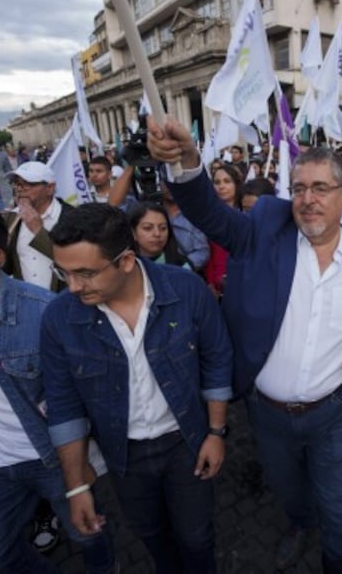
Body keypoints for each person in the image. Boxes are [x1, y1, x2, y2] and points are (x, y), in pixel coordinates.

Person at [147, 118, 342, 573]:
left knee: (339, 506)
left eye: (320, 188)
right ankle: (299, 521)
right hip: (266, 412)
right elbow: (209, 212)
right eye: (299, 188)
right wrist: (186, 159)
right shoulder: (263, 231)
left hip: (335, 412)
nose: (307, 199)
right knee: (289, 488)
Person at [40, 203, 232, 574]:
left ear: (126, 261)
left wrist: (215, 432)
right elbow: (64, 405)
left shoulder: (186, 289)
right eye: (62, 273)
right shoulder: (59, 318)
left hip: (185, 442)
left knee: (195, 538)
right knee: (151, 534)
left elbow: (217, 359)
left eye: (85, 274)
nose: (73, 286)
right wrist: (76, 486)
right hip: (123, 455)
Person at [0, 201, 115, 574]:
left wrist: (81, 469)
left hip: (54, 458)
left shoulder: (48, 312)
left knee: (88, 535)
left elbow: (84, 395)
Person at [3, 161, 74, 291]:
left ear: (50, 188)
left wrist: (38, 230)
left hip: (62, 302)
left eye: (28, 184)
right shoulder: (11, 219)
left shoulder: (72, 217)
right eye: (17, 184)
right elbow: (5, 268)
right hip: (25, 304)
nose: (19, 189)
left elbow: (73, 260)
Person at [206, 164, 243, 296]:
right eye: (217, 182)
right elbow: (209, 254)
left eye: (227, 181)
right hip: (216, 290)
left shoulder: (246, 216)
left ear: (236, 184)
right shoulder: (210, 217)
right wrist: (210, 282)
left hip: (240, 286)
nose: (221, 186)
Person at [128, 201, 191, 268]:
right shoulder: (124, 267)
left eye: (163, 228)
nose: (157, 234)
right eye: (148, 228)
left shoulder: (181, 265)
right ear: (133, 233)